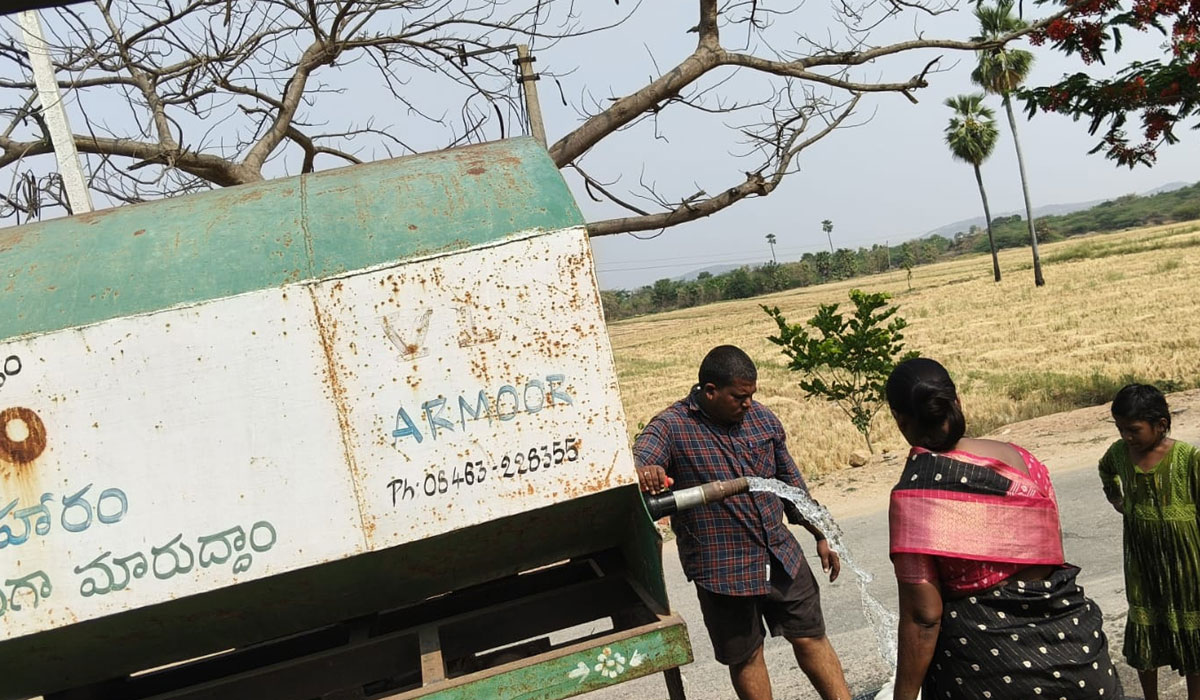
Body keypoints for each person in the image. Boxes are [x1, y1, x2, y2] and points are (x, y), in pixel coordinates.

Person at [886, 357, 1121, 700]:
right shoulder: (1023, 461)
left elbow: (924, 618)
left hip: (990, 673)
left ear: (900, 420)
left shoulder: (913, 495)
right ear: (957, 401)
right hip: (1080, 659)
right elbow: (1050, 557)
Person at [634, 345, 851, 700]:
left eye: (751, 395)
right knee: (747, 656)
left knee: (811, 637)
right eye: (739, 397)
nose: (748, 403)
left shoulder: (762, 419)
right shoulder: (671, 427)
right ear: (710, 391)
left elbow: (791, 486)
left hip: (780, 555)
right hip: (722, 572)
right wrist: (648, 472)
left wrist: (821, 532)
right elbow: (640, 461)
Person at [1099, 383, 1200, 700]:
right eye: (1120, 429)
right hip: (1141, 561)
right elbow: (1106, 470)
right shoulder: (1119, 453)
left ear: (1161, 425)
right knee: (1144, 621)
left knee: (1192, 627)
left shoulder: (1187, 458)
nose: (1126, 436)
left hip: (1186, 561)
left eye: (1133, 429)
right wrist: (1117, 499)